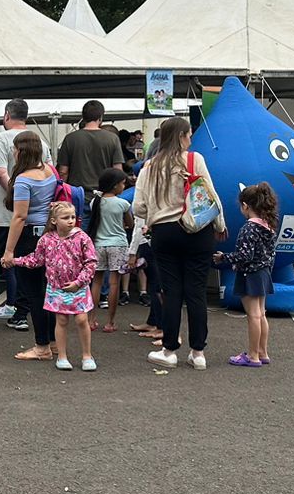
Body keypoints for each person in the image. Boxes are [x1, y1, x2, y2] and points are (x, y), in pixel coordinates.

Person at [132, 116, 227, 369]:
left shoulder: (149, 166)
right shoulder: (195, 160)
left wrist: (157, 210)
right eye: (189, 135)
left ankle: (169, 350)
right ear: (182, 136)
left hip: (165, 232)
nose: (191, 140)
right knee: (196, 291)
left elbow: (138, 207)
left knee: (171, 291)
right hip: (199, 231)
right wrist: (220, 225)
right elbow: (210, 195)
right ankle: (198, 353)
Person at [11, 200, 99, 372]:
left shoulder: (82, 237)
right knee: (61, 320)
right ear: (54, 220)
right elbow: (36, 260)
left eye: (73, 217)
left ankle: (87, 355)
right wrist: (15, 260)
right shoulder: (46, 240)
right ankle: (62, 356)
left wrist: (79, 282)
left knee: (82, 320)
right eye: (65, 217)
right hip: (56, 288)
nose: (71, 221)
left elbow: (91, 262)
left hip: (79, 287)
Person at [2, 131, 59, 362]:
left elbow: (20, 216)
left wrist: (9, 251)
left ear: (21, 151)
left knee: (34, 294)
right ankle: (53, 342)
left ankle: (42, 346)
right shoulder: (50, 171)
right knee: (48, 291)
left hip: (30, 238)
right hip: (51, 236)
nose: (13, 152)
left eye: (15, 149)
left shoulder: (24, 179)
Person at [215, 182, 278, 369]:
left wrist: (224, 258)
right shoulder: (268, 226)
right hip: (264, 273)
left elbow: (245, 256)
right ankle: (262, 352)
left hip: (250, 274)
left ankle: (252, 355)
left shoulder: (249, 228)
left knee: (253, 316)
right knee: (261, 314)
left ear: (245, 206)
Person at [0, 99, 32, 326]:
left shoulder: (1, 139)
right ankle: (20, 315)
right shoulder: (38, 140)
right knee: (23, 263)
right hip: (30, 215)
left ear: (6, 115)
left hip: (3, 215)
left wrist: (15, 195)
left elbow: (1, 173)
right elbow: (48, 172)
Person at [87, 168, 133, 332]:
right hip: (118, 244)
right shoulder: (123, 204)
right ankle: (110, 322)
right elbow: (130, 224)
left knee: (96, 282)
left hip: (98, 244)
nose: (124, 186)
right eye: (122, 183)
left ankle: (91, 320)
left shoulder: (95, 202)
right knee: (114, 283)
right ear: (115, 186)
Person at [57, 101, 125, 199]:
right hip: (103, 195)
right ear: (100, 117)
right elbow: (117, 170)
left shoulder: (70, 138)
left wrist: (62, 193)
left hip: (77, 194)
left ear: (83, 117)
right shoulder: (113, 138)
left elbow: (63, 172)